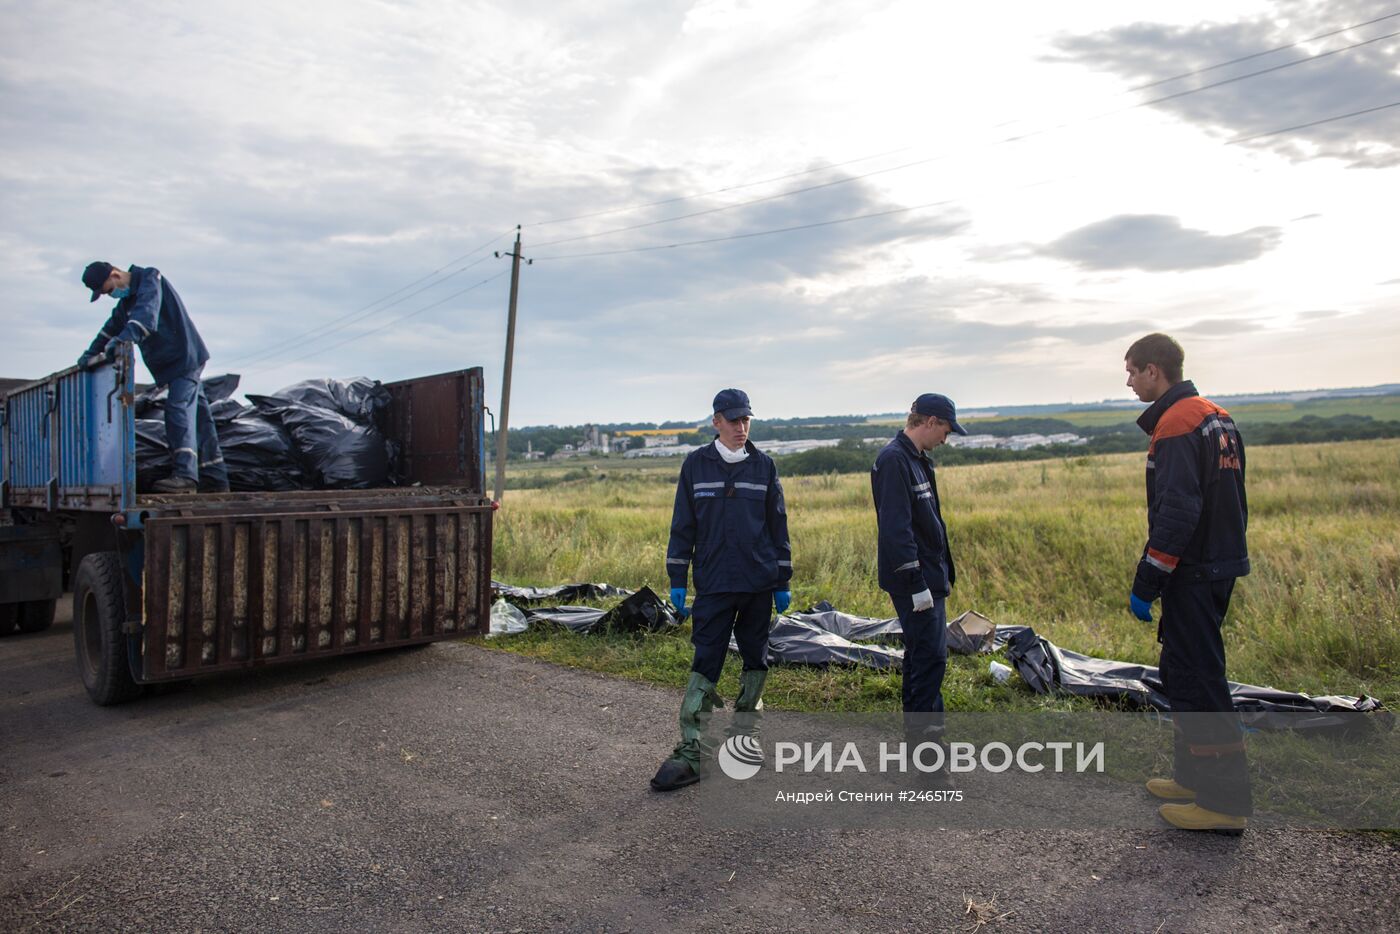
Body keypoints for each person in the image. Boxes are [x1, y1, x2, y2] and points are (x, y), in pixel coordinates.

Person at [1125, 333, 1252, 833]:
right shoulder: (1214, 414)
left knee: (1199, 680)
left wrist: (1147, 581)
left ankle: (1222, 804)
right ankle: (1192, 778)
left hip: (1194, 570)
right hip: (1215, 561)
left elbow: (1178, 512)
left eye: (1133, 370)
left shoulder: (1176, 423)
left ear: (1156, 370)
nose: (1129, 380)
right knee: (1180, 672)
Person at [650, 388, 793, 792]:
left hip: (757, 584)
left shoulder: (764, 467)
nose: (740, 428)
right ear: (716, 421)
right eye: (733, 420)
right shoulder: (696, 466)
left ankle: (745, 740)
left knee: (755, 659)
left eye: (746, 420)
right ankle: (693, 752)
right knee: (706, 660)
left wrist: (782, 580)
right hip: (713, 584)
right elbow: (683, 526)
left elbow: (777, 527)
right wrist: (677, 578)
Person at [871, 394, 967, 761]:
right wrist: (917, 586)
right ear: (928, 421)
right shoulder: (894, 460)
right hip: (917, 583)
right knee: (930, 658)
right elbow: (896, 530)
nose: (946, 438)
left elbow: (928, 523)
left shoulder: (916, 460)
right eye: (945, 429)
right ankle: (927, 752)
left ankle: (919, 744)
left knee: (922, 656)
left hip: (929, 578)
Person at [79, 261, 228, 494]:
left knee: (177, 410)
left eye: (108, 290)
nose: (111, 296)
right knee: (200, 420)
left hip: (185, 358)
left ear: (115, 274)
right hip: (171, 365)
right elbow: (110, 328)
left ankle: (185, 477)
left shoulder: (150, 278)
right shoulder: (126, 304)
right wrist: (90, 353)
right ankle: (217, 481)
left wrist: (122, 340)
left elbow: (145, 317)